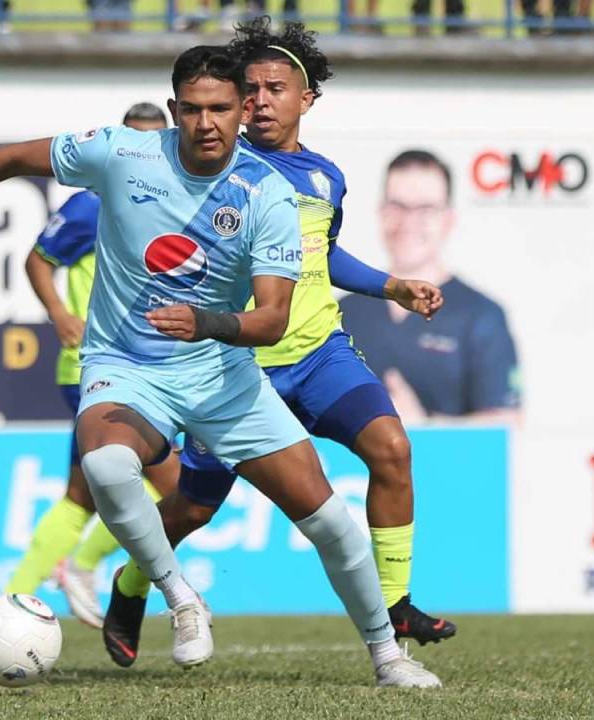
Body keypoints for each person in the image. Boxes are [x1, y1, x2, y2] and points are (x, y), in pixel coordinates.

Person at [0, 44, 438, 688]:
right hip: (126, 366)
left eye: (219, 109)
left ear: (241, 112)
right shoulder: (122, 153)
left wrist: (207, 323)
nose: (206, 123)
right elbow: (11, 158)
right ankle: (179, 598)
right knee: (105, 464)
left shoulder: (268, 192)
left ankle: (388, 656)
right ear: (173, 110)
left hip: (224, 375)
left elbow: (271, 318)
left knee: (328, 520)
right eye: (191, 110)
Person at [103, 18, 453, 678]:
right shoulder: (217, 166)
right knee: (193, 509)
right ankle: (130, 585)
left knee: (393, 449)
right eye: (251, 90)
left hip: (320, 352)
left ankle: (396, 603)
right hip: (239, 366)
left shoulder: (326, 177)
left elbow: (322, 254)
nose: (260, 100)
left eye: (274, 88)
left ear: (306, 99)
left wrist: (391, 286)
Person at [4, 102, 177, 630]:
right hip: (95, 366)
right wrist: (58, 314)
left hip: (147, 366)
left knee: (80, 496)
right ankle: (81, 565)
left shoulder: (172, 201)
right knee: (178, 487)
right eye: (138, 143)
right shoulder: (91, 206)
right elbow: (38, 259)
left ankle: (12, 601)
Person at [339, 150, 522, 424]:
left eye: (425, 210)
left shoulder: (481, 316)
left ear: (448, 220)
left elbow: (507, 423)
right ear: (381, 213)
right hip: (349, 468)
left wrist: (424, 427)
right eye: (397, 207)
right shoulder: (340, 313)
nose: (408, 223)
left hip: (447, 467)